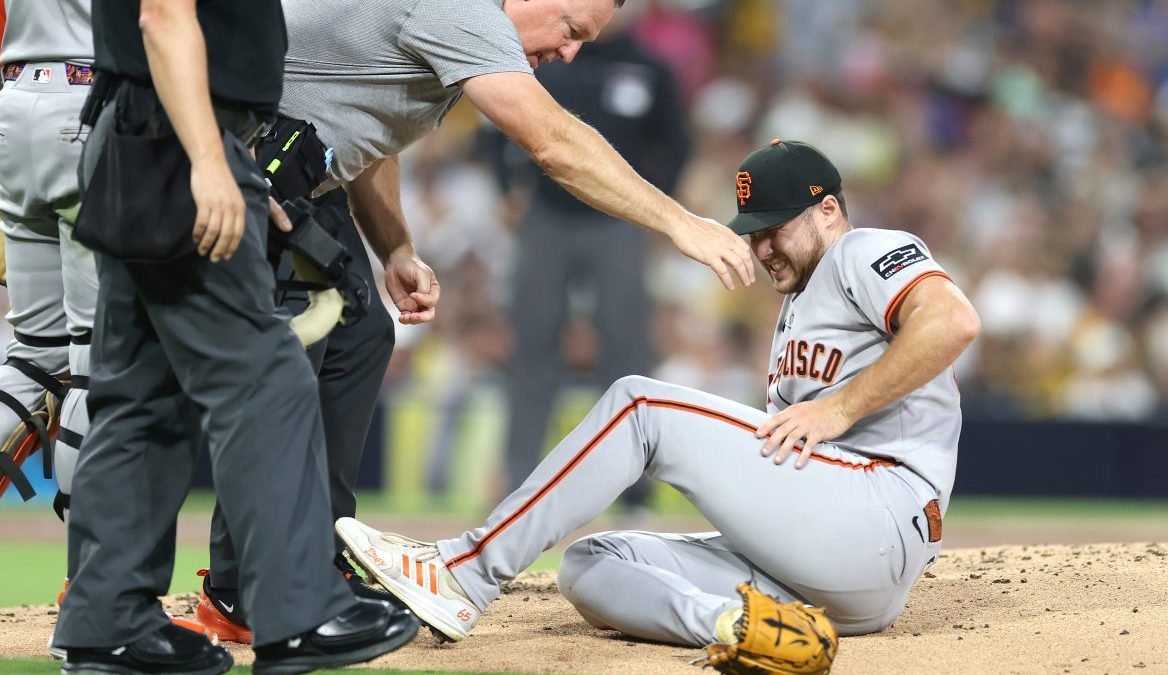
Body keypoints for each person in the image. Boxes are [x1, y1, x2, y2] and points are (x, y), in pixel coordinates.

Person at [192, 0, 756, 642]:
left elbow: (368, 129)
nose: (570, 52)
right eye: (571, 30)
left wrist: (396, 247)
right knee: (289, 365)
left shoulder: (458, 25)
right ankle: (246, 593)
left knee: (360, 336)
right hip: (228, 165)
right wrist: (681, 222)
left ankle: (315, 564)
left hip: (292, 175)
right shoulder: (461, 10)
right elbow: (553, 141)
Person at [336, 140, 981, 663]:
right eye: (754, 232)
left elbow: (952, 321)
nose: (761, 248)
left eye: (776, 228)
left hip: (879, 512)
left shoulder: (860, 250)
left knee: (639, 405)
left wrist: (838, 409)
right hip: (825, 571)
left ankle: (465, 572)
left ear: (829, 210)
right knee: (594, 564)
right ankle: (741, 626)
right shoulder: (798, 304)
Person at [51, 1, 418, 673]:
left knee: (143, 395)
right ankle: (297, 611)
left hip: (144, 136)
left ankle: (109, 621)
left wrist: (232, 160)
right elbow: (164, 15)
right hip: (179, 142)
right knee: (268, 377)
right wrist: (208, 158)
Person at [489, 17, 691, 506]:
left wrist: (655, 206)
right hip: (546, 216)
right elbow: (495, 124)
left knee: (627, 347)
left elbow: (677, 144)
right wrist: (506, 188)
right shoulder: (548, 58)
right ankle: (519, 480)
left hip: (617, 222)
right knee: (532, 344)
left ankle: (634, 486)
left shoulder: (649, 68)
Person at [0, 0, 94, 554]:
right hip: (99, 99)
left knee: (34, 360)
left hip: (17, 100)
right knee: (100, 367)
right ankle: (96, 592)